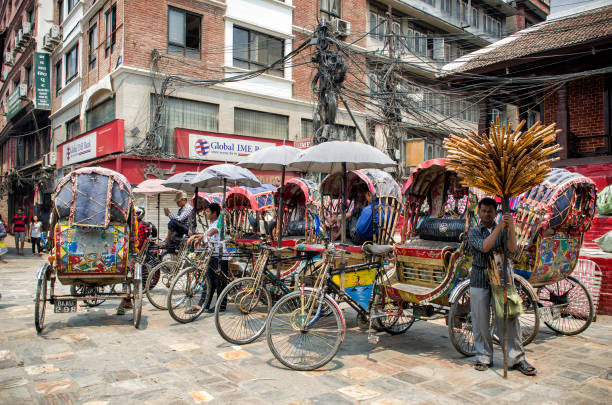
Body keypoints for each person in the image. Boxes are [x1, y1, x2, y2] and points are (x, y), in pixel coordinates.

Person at [467, 197, 536, 376]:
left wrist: (510, 227)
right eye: (483, 211)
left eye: (490, 211)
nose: (486, 214)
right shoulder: (474, 231)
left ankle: (516, 357)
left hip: (501, 279)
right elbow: (485, 247)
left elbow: (512, 248)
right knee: (480, 320)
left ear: (495, 212)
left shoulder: (505, 230)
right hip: (480, 278)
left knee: (508, 318)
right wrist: (499, 227)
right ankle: (483, 356)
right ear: (479, 212)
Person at [186, 203, 228, 314]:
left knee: (220, 283)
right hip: (212, 255)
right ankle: (204, 304)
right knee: (208, 282)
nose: (206, 213)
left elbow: (210, 233)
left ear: (214, 213)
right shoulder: (212, 223)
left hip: (221, 256)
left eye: (208, 211)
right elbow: (206, 234)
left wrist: (196, 237)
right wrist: (198, 238)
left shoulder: (220, 222)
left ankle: (221, 305)